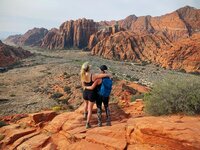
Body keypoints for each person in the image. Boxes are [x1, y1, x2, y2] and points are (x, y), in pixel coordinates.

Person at [80, 62, 111, 129]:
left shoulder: (83, 75)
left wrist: (85, 87)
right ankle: (107, 121)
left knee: (90, 105)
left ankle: (87, 115)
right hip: (98, 94)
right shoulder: (95, 76)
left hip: (91, 94)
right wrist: (108, 74)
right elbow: (105, 77)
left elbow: (84, 86)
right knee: (94, 108)